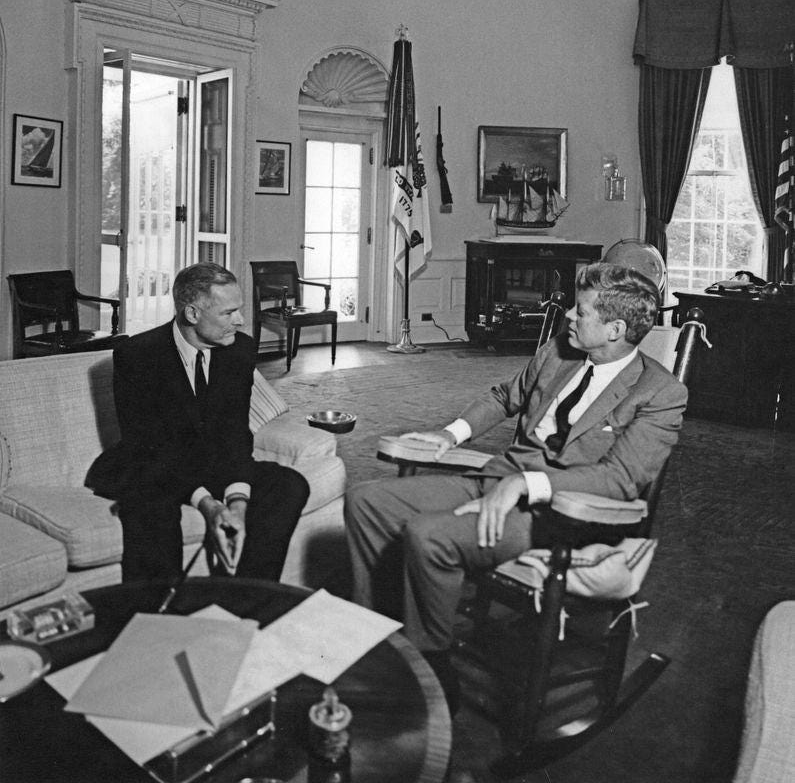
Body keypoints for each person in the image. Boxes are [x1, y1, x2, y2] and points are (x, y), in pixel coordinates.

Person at [345, 262, 687, 708]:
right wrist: (450, 434)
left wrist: (527, 484)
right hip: (498, 477)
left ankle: (429, 662)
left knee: (429, 536)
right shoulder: (558, 352)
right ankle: (379, 638)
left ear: (615, 329)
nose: (567, 315)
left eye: (580, 311)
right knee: (367, 501)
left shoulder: (661, 394)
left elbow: (619, 479)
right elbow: (505, 396)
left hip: (562, 515)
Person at [87, 262, 309, 583]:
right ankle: (160, 618)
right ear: (192, 314)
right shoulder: (137, 356)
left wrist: (237, 503)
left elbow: (235, 434)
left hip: (211, 462)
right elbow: (147, 447)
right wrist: (207, 505)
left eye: (239, 310)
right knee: (150, 507)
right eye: (228, 312)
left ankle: (246, 596)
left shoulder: (240, 350)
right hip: (153, 466)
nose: (241, 320)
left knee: (288, 484)